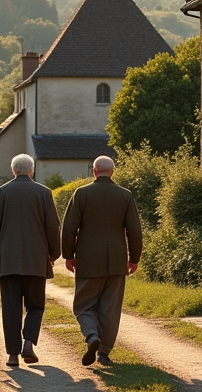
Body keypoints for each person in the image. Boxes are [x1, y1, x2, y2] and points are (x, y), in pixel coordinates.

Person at [61, 155, 142, 366]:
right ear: (112, 172)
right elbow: (134, 230)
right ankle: (104, 352)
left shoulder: (82, 194)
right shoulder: (125, 195)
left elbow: (69, 228)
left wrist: (68, 255)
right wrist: (134, 258)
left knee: (83, 305)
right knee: (110, 308)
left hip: (88, 260)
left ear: (94, 171)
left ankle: (91, 336)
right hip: (116, 261)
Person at [0, 153, 61, 367]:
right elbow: (53, 227)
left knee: (11, 308)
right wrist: (54, 253)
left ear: (13, 170)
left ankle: (13, 355)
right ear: (32, 170)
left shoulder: (1, 193)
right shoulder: (44, 193)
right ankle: (28, 342)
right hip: (36, 261)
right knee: (36, 306)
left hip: (8, 262)